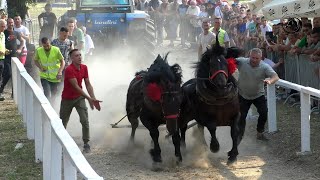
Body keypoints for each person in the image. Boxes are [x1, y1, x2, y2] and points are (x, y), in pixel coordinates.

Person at [60, 49, 101, 153]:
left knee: (84, 120)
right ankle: (59, 141)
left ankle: (86, 143)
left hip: (79, 98)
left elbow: (87, 84)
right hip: (67, 99)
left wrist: (93, 98)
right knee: (63, 122)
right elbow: (76, 87)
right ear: (72, 58)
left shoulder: (84, 67)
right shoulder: (69, 69)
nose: (79, 57)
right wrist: (89, 99)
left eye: (80, 55)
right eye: (76, 56)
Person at [236, 48, 279, 141]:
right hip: (243, 94)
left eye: (257, 58)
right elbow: (228, 60)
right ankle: (239, 135)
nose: (254, 60)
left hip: (258, 95)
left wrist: (270, 81)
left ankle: (260, 133)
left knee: (264, 113)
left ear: (261, 58)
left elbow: (275, 76)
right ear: (249, 56)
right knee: (241, 116)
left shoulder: (265, 66)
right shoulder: (242, 62)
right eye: (253, 57)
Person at [34, 37, 65, 104]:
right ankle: (45, 110)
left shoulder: (56, 50)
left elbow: (62, 62)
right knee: (47, 94)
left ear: (50, 42)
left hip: (55, 77)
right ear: (42, 45)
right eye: (44, 46)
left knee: (53, 95)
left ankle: (52, 108)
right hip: (44, 77)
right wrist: (40, 67)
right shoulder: (39, 50)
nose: (47, 47)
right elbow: (35, 60)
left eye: (48, 45)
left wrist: (60, 72)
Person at [0, 18, 25, 100]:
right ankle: (1, 88)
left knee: (15, 75)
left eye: (12, 23)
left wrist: (20, 49)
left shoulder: (16, 33)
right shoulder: (4, 32)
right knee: (8, 74)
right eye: (9, 23)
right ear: (7, 24)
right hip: (6, 57)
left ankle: (14, 94)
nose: (11, 24)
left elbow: (22, 41)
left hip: (15, 57)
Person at [0, 19, 8, 101]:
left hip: (2, 58)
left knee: (0, 77)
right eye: (2, 26)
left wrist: (5, 50)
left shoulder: (3, 34)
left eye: (4, 26)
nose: (3, 28)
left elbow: (2, 45)